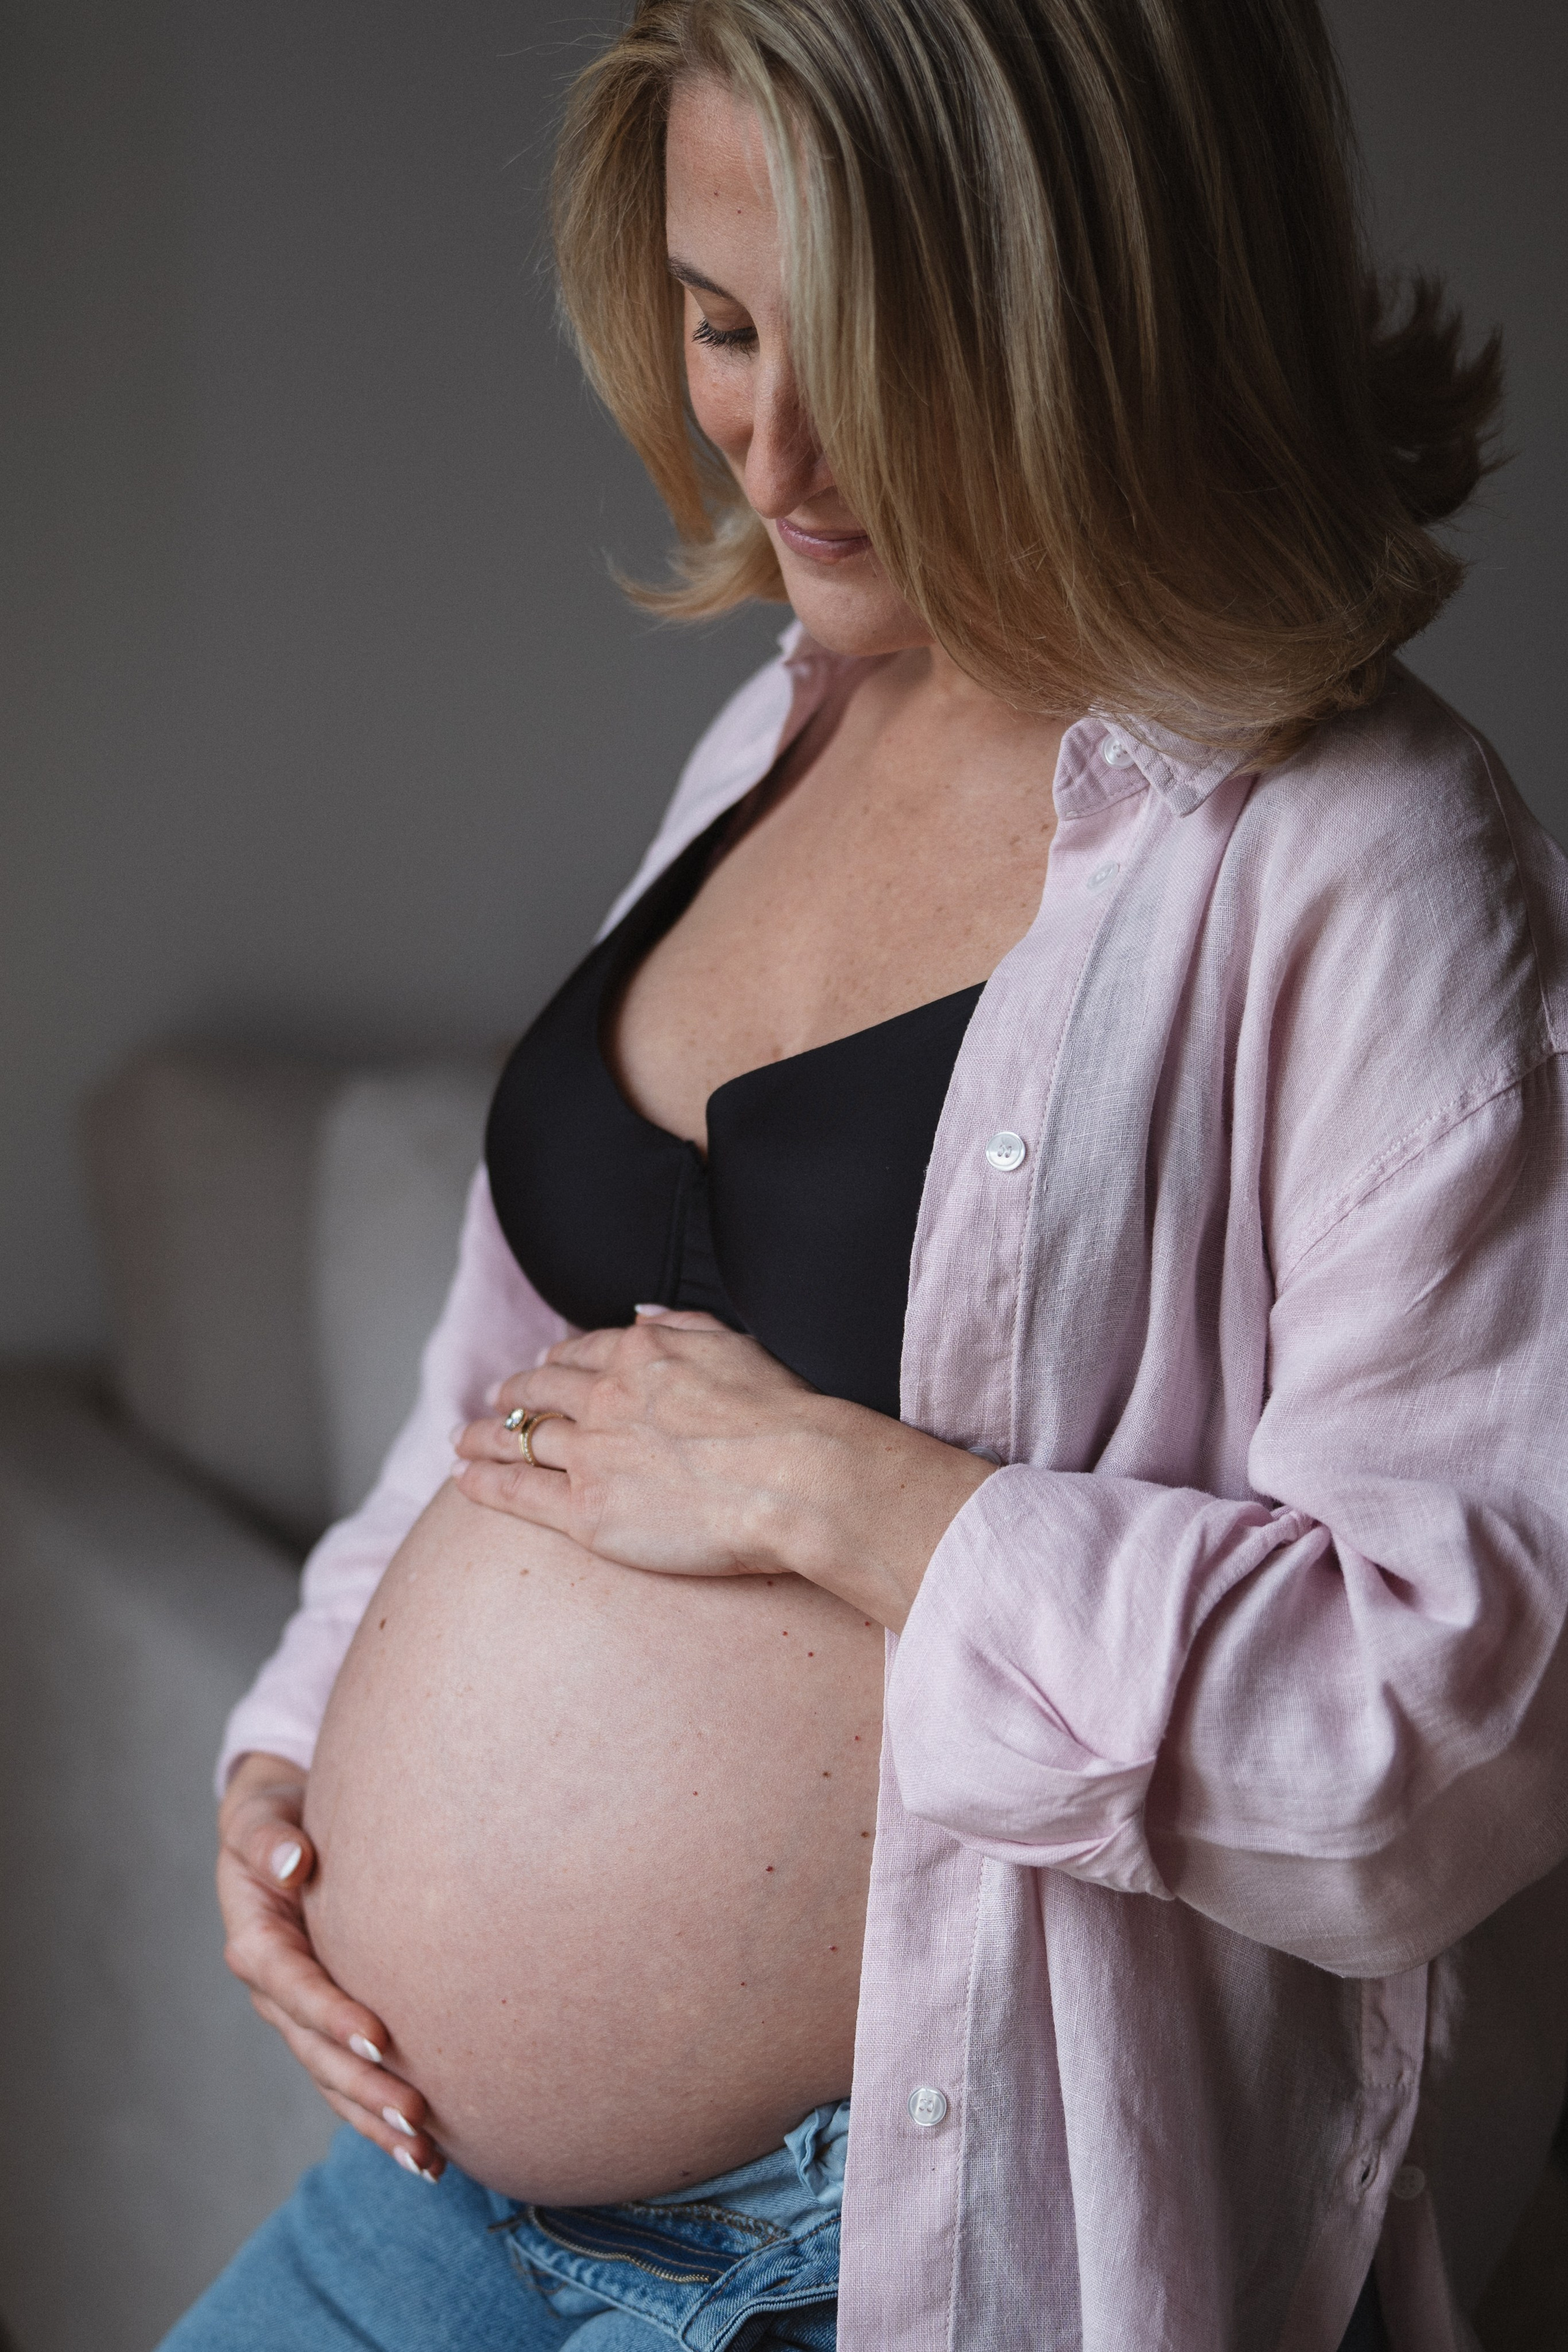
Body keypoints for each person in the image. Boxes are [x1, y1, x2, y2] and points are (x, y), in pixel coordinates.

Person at [161, 2, 1568, 2347]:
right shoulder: (781, 724)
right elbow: (508, 1387)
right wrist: (299, 1751)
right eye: (723, 324)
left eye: (883, 358)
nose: (773, 443)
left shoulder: (1369, 866)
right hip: (433, 2190)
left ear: (1108, 324)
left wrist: (863, 1506)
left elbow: (1444, 1738)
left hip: (885, 2243)